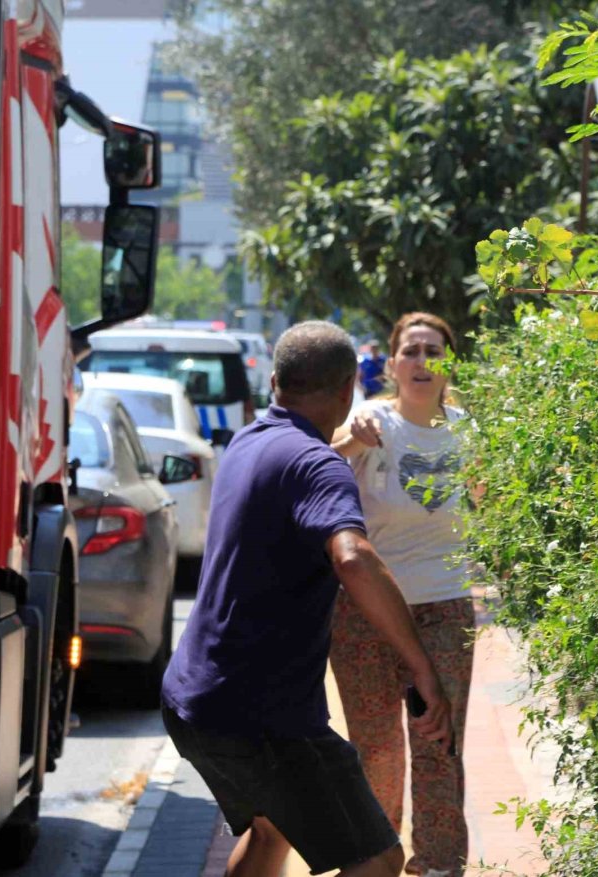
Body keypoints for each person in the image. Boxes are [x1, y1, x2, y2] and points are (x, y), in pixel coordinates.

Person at [161, 320, 454, 877]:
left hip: (195, 699)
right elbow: (353, 556)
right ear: (349, 390)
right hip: (263, 715)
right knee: (378, 859)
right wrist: (421, 666)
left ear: (274, 381)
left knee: (272, 830)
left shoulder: (249, 440)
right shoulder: (318, 465)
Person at [330, 312, 474, 877]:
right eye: (410, 351)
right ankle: (376, 864)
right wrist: (349, 438)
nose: (421, 362)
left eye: (433, 351)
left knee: (437, 744)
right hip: (366, 611)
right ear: (392, 364)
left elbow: (496, 506)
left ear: (447, 363)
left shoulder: (471, 434)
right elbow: (323, 459)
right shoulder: (371, 424)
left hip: (444, 607)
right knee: (377, 751)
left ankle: (438, 867)